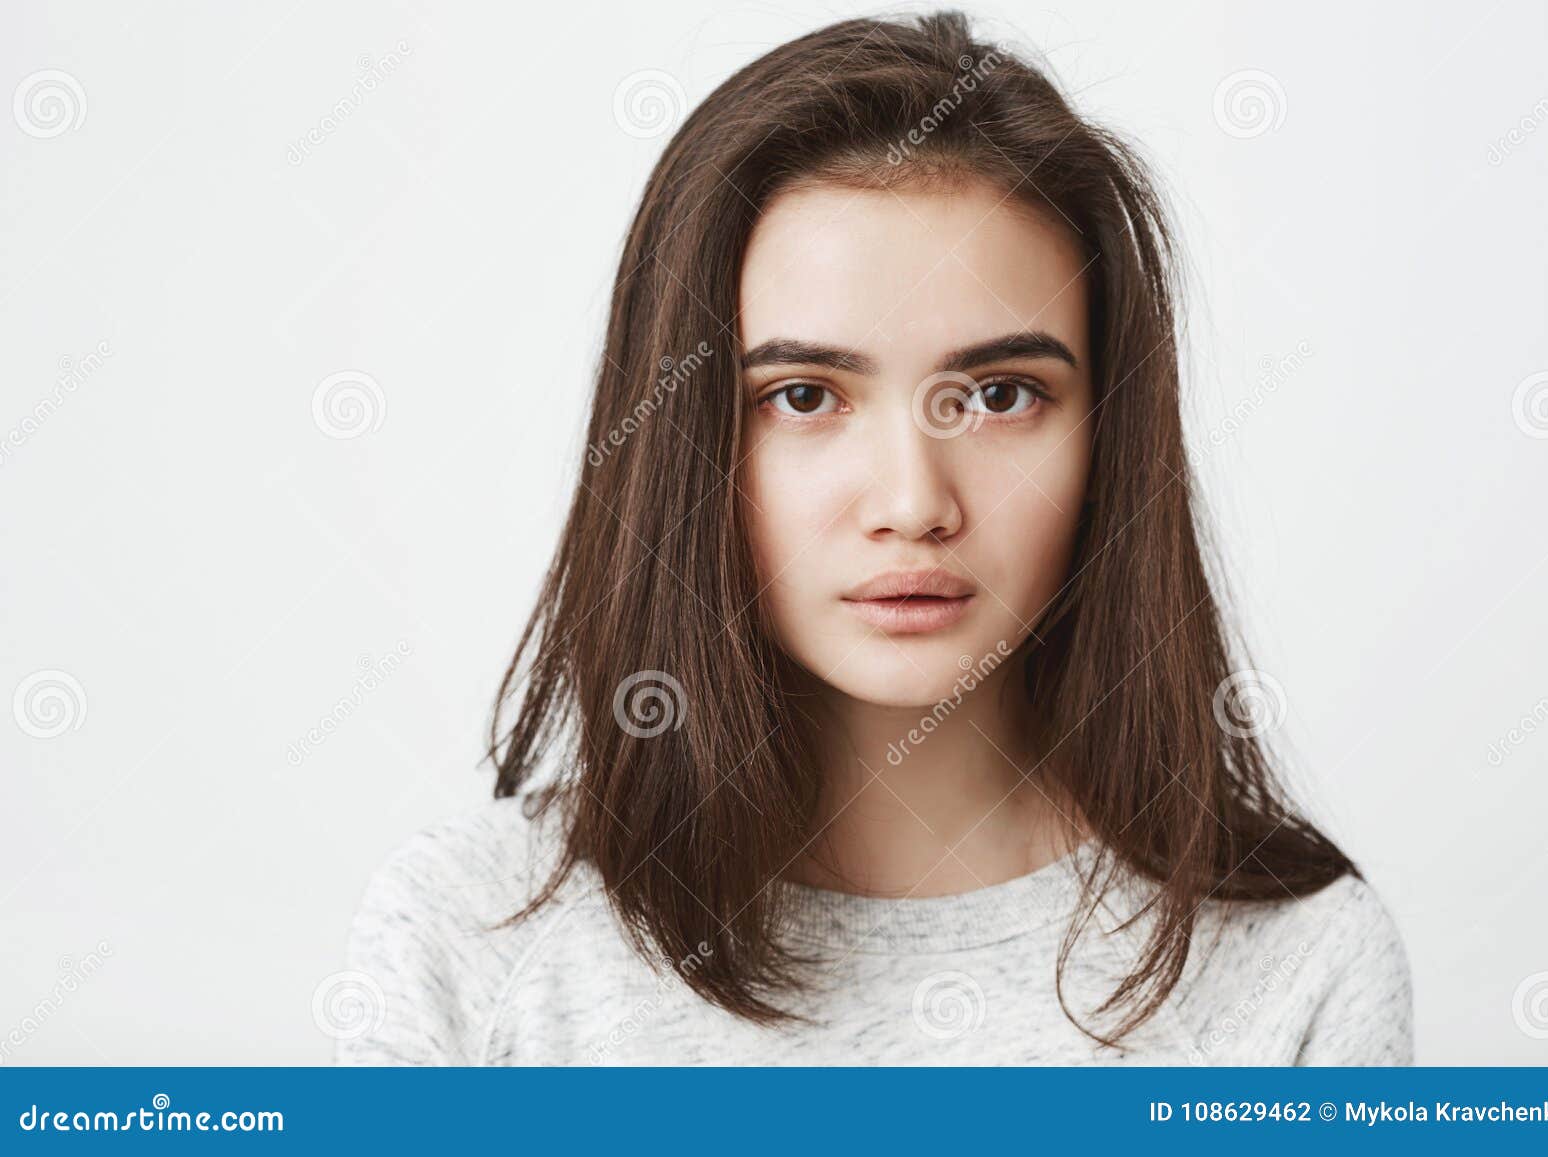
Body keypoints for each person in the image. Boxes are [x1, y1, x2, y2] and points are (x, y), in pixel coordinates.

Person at [331, 9, 1412, 1066]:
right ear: (679, 440)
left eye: (997, 394)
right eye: (804, 395)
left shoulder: (1299, 959)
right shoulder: (468, 940)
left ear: (1110, 441)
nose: (912, 500)